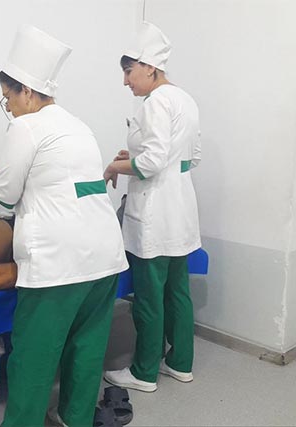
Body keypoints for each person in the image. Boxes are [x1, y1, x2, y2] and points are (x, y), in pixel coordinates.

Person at [0, 25, 129, 427]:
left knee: (33, 358)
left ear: (27, 92)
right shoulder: (77, 125)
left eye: (8, 98)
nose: (9, 107)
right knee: (86, 349)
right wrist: (7, 182)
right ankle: (74, 419)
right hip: (104, 256)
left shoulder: (25, 126)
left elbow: (6, 193)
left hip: (58, 263)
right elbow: (67, 184)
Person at [102, 22, 202, 393]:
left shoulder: (156, 102)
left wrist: (115, 167)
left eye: (129, 71)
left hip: (155, 212)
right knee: (178, 292)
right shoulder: (185, 99)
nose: (125, 81)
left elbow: (152, 163)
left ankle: (144, 373)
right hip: (181, 206)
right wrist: (136, 156)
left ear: (149, 67)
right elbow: (191, 157)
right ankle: (180, 363)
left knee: (148, 295)